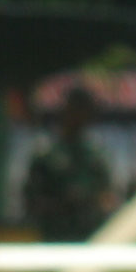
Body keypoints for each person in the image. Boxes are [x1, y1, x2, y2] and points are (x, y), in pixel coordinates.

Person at [21, 87, 116, 242]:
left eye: (84, 111)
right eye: (76, 110)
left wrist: (90, 202)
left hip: (90, 236)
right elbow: (30, 201)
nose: (80, 116)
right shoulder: (46, 153)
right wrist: (63, 203)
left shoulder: (96, 154)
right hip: (55, 235)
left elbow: (108, 197)